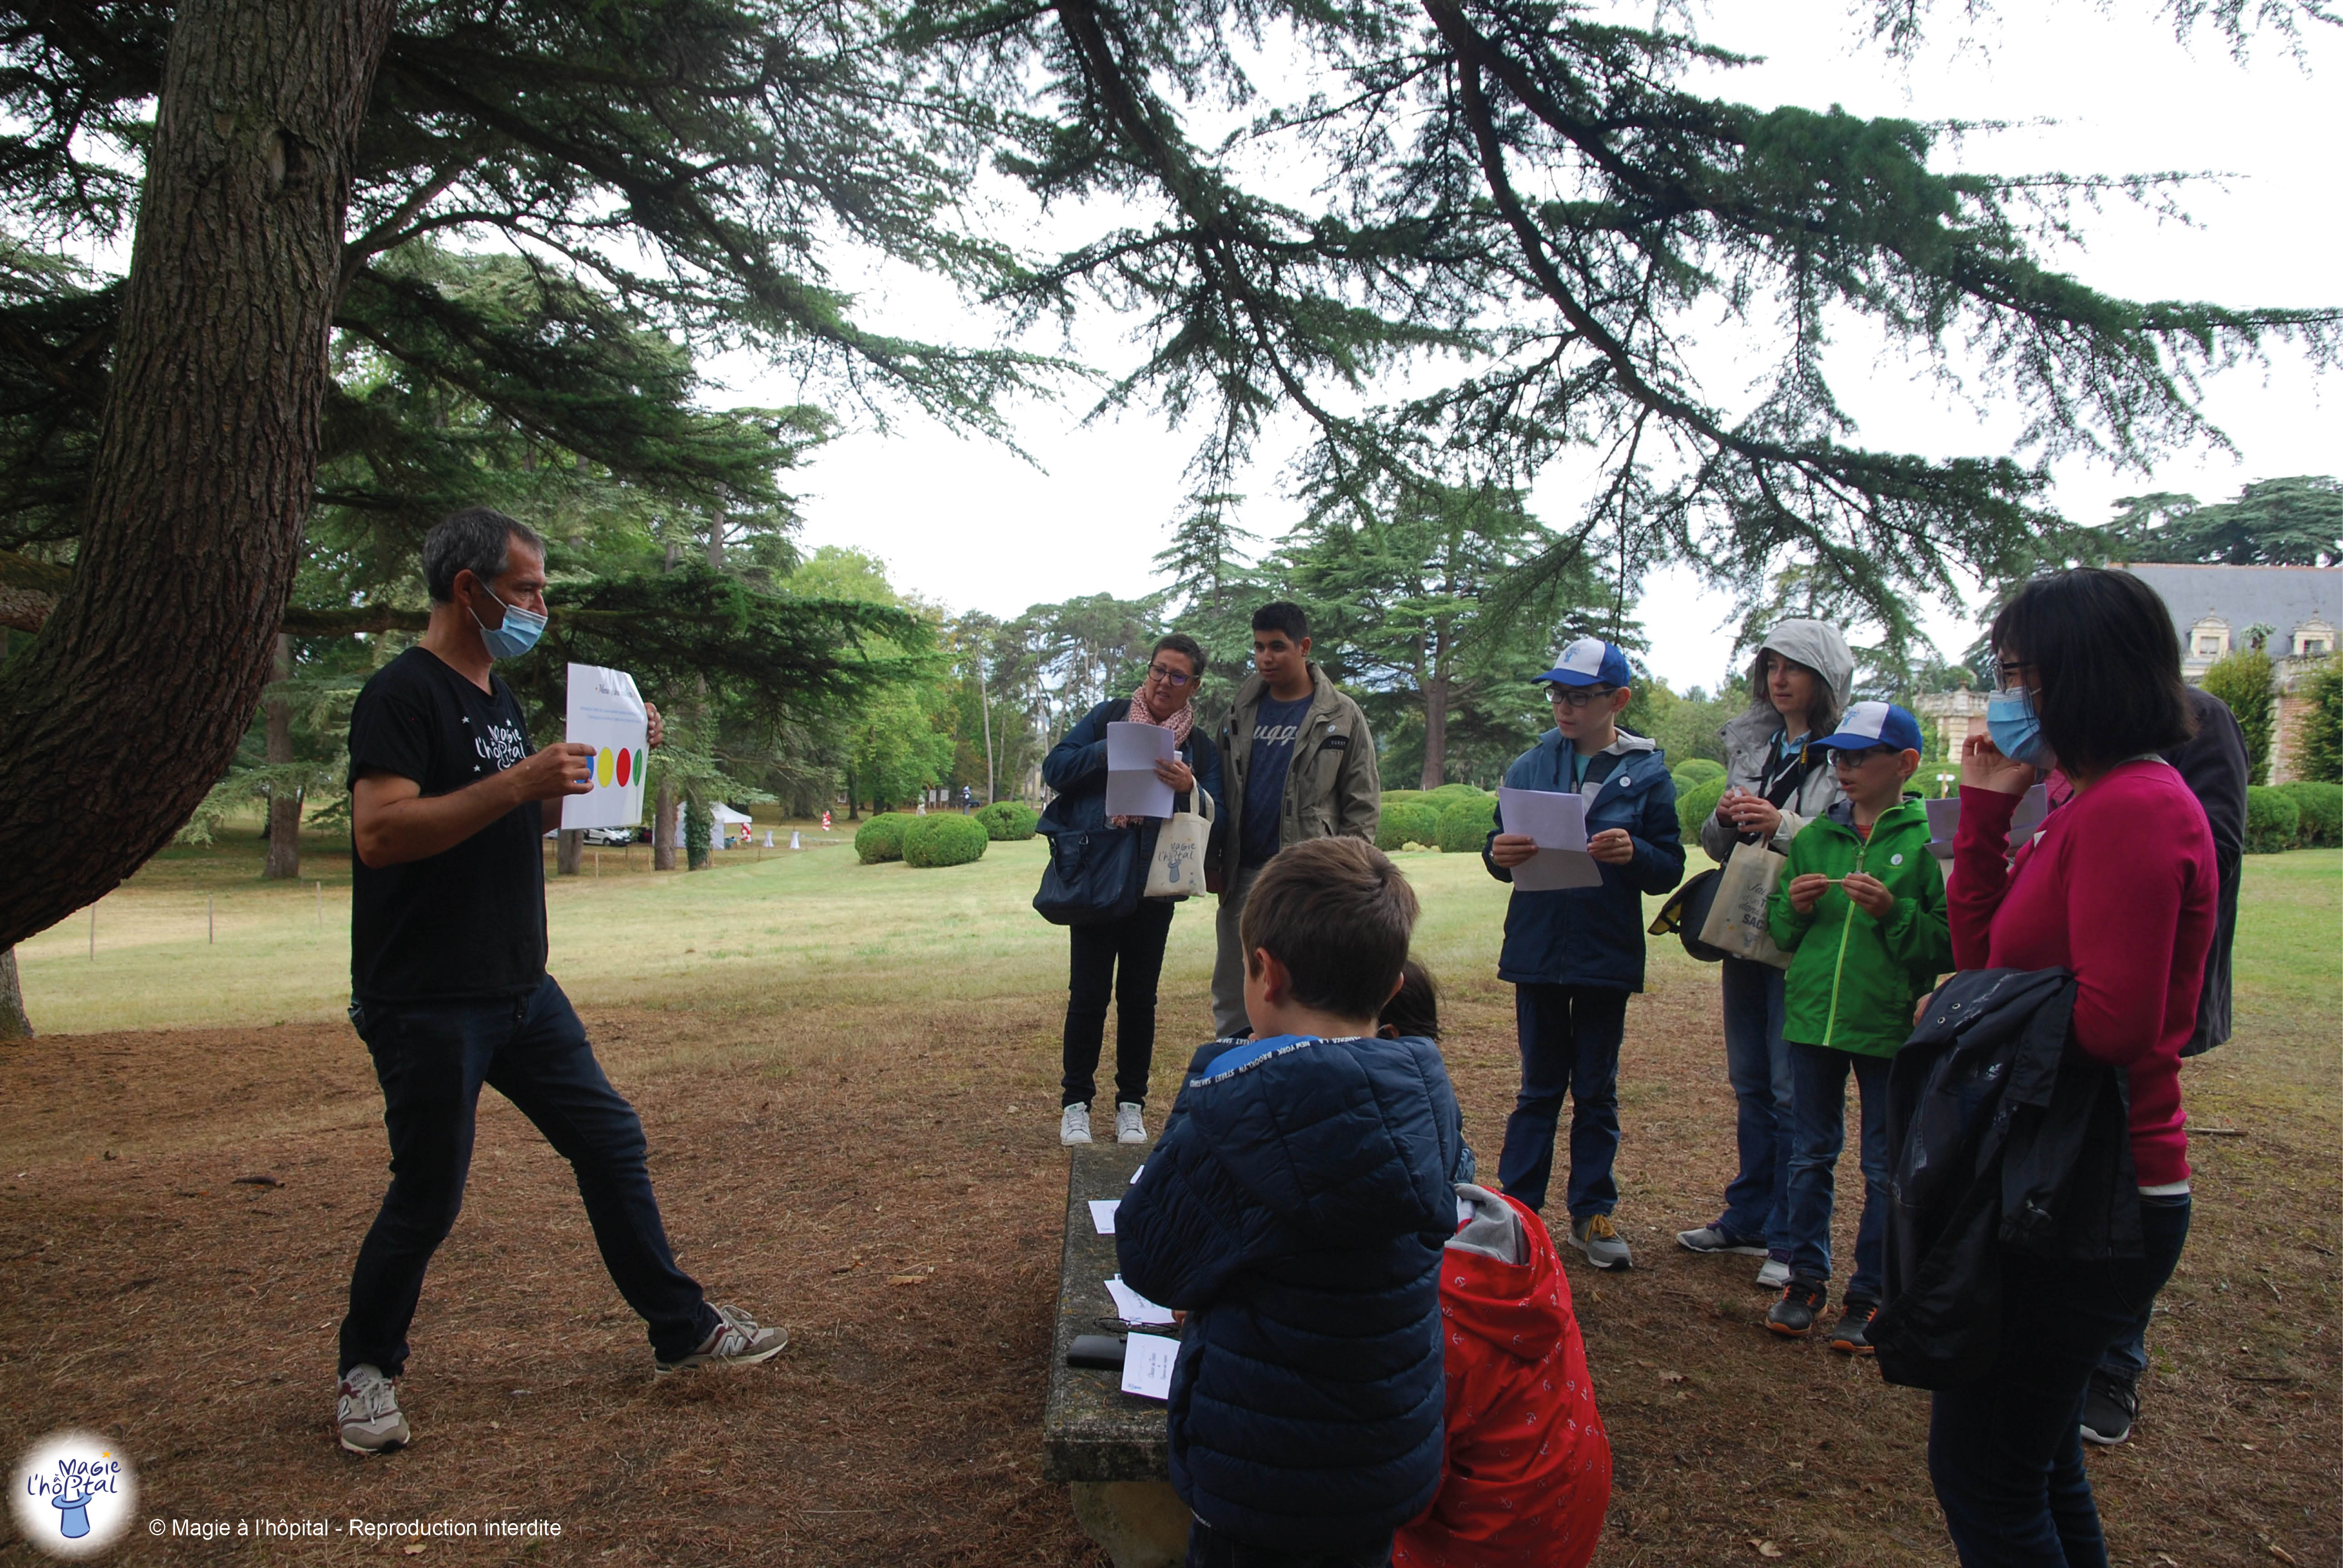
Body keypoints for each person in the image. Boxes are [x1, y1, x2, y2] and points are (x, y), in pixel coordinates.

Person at [335, 508, 782, 1457]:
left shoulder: (499, 698)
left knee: (610, 1140)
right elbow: (381, 834)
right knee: (428, 1196)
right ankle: (366, 1371)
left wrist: (605, 757)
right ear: (472, 589)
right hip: (425, 999)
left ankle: (681, 1329)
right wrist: (516, 785)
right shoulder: (401, 695)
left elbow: (508, 821)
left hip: (518, 988)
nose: (541, 608)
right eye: (530, 589)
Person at [1931, 567, 2214, 1567]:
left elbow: (2113, 1023)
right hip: (2051, 1164)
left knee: (1985, 1476)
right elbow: (1987, 960)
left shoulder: (2134, 807)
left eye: (2016, 672)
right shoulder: (2076, 803)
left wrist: (1964, 1013)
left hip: (2099, 1185)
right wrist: (1980, 820)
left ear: (2078, 676)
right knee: (2037, 1464)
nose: (2004, 693)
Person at [1117, 837, 1465, 1567]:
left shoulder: (1242, 1103)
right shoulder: (1423, 1093)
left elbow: (1149, 1258)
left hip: (1260, 1470)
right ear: (1392, 983)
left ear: (1264, 974)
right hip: (1379, 1461)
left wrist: (1210, 1082)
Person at [2073, 684, 2247, 1445]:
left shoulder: (2192, 724)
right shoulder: (2062, 735)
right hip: (2058, 988)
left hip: (2134, 988)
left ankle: (2112, 1359)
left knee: (2125, 1159)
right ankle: (2063, 1338)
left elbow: (2210, 847)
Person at [1483, 637, 1685, 1270]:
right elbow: (1499, 846)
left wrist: (1638, 855)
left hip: (1604, 951)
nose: (1564, 707)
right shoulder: (1529, 765)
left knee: (1595, 1088)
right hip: (1539, 946)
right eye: (1556, 694)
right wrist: (1499, 854)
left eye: (1579, 696)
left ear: (1617, 700)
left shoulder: (1647, 771)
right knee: (1537, 1086)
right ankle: (1516, 1212)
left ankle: (1592, 1213)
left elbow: (1668, 868)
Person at [1763, 701, 1951, 1352]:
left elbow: (1945, 947)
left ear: (1903, 765)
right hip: (1812, 1020)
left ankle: (1868, 1293)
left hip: (1887, 1026)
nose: (1841, 769)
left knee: (1881, 1165)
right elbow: (1783, 937)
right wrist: (1791, 907)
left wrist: (1893, 912)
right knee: (1808, 1154)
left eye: (1856, 757)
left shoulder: (1928, 840)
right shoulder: (1814, 836)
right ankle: (1803, 1280)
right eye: (1836, 757)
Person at [1676, 619, 1855, 1291]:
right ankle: (1747, 1217)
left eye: (1795, 668)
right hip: (1741, 928)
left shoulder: (1843, 753)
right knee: (1750, 1082)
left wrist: (1783, 824)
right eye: (1771, 666)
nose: (1779, 680)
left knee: (1789, 1089)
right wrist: (1723, 818)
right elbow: (1714, 844)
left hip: (1801, 935)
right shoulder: (1756, 745)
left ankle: (1790, 1233)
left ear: (1824, 678)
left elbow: (1846, 843)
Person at [1038, 635, 1225, 1147]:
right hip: (1097, 875)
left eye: (1178, 676)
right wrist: (1108, 750)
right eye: (1158, 670)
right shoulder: (1109, 716)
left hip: (1156, 884)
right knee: (1088, 996)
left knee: (1140, 998)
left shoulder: (1200, 746)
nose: (1165, 682)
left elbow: (1221, 816)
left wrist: (1190, 787)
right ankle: (1076, 1103)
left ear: (1195, 686)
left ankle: (1131, 1106)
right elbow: (1056, 769)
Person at [1392, 1185, 1611, 1568]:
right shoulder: (1509, 1225)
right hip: (1567, 1511)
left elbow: (1396, 1500)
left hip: (1477, 1545)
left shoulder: (1423, 1324)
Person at [1207, 601, 1381, 1039]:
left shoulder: (1342, 715)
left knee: (1311, 982)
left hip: (1310, 877)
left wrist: (1351, 876)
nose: (1266, 658)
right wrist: (1212, 858)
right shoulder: (1239, 711)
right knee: (1235, 984)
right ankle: (1234, 1077)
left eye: (1278, 647)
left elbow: (1361, 803)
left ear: (1303, 647)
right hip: (1243, 873)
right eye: (1259, 647)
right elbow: (1218, 792)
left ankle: (1308, 1074)